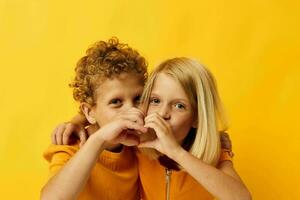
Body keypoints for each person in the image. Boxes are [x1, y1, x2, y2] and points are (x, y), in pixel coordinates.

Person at [41, 37, 148, 200]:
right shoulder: (70, 146)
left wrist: (78, 119)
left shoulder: (140, 144)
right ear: (89, 112)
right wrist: (99, 140)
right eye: (116, 102)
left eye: (138, 98)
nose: (131, 110)